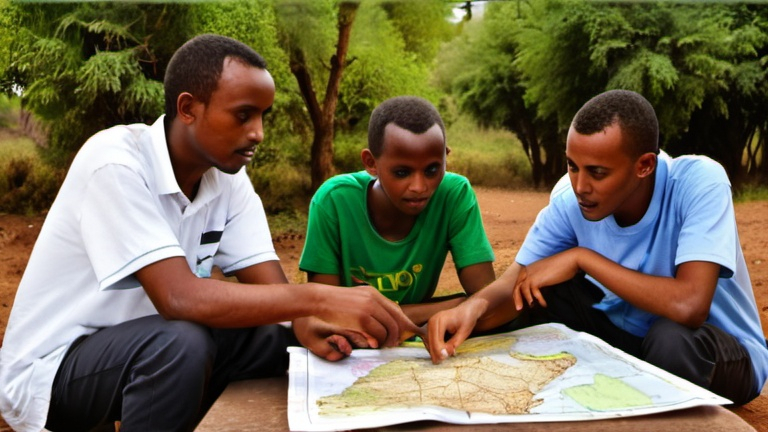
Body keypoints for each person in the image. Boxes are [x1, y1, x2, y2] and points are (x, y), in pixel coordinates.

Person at [0, 34, 418, 432]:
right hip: (54, 371)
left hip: (147, 344)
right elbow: (178, 297)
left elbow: (273, 291)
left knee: (273, 337)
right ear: (188, 108)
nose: (258, 132)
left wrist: (308, 323)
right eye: (243, 115)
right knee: (181, 343)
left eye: (262, 116)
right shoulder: (115, 163)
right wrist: (325, 297)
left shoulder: (227, 180)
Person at [424, 89, 768, 405]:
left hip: (717, 353)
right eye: (573, 166)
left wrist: (581, 258)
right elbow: (517, 280)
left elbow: (690, 305)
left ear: (644, 165)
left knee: (670, 338)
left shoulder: (698, 182)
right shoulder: (569, 199)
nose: (580, 185)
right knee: (538, 291)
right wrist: (474, 307)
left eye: (597, 172)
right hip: (630, 342)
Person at [298, 96, 511, 340]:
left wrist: (469, 305)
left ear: (445, 157)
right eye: (402, 172)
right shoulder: (334, 201)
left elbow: (484, 300)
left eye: (432, 170)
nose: (419, 187)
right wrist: (449, 306)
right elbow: (328, 316)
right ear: (371, 163)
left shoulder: (454, 194)